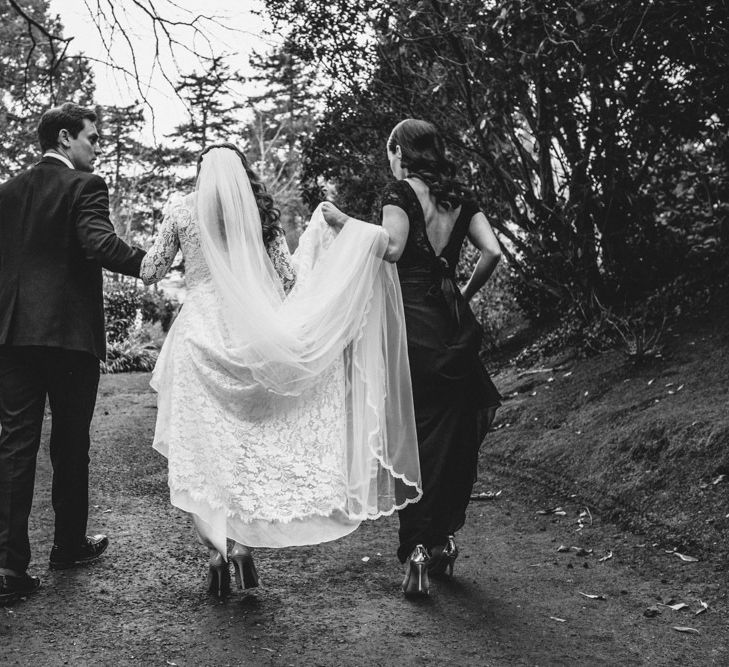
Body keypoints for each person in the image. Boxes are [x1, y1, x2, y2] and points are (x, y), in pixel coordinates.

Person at [141, 143, 421, 598]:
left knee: (199, 447)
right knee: (244, 443)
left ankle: (216, 550)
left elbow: (151, 270)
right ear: (242, 175)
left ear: (201, 175)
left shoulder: (180, 212)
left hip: (197, 335)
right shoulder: (258, 214)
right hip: (251, 335)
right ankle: (244, 543)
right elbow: (289, 279)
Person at [322, 119, 502, 597]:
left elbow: (395, 247)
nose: (390, 160)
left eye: (390, 151)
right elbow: (493, 251)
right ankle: (440, 542)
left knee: (414, 437)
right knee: (450, 435)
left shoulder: (399, 191)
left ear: (401, 151)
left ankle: (417, 550)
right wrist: (461, 293)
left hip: (410, 324)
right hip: (452, 322)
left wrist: (344, 224)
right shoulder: (459, 195)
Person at [0, 103, 146, 605]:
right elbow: (99, 243)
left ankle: (7, 568)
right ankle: (67, 546)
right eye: (92, 137)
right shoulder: (87, 185)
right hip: (67, 337)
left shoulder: (7, 192)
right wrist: (154, 264)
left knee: (15, 445)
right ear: (65, 139)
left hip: (13, 336)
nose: (98, 146)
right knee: (69, 442)